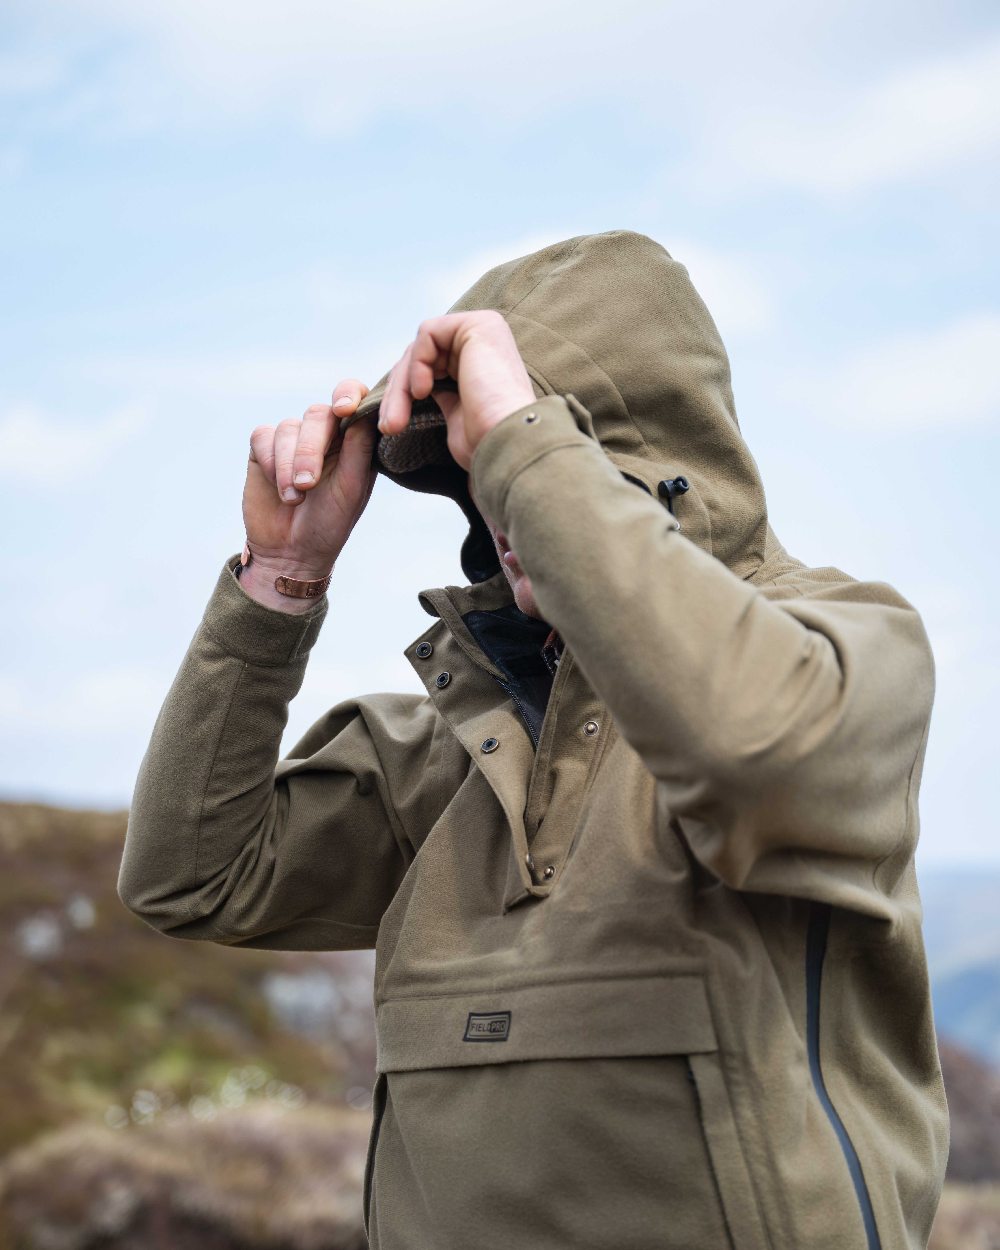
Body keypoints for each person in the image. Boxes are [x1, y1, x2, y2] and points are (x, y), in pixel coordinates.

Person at [118, 230, 948, 1250]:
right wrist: (280, 578)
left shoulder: (839, 645)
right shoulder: (444, 740)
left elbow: (752, 752)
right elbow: (191, 874)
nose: (497, 502)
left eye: (517, 452)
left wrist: (521, 442)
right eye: (474, 470)